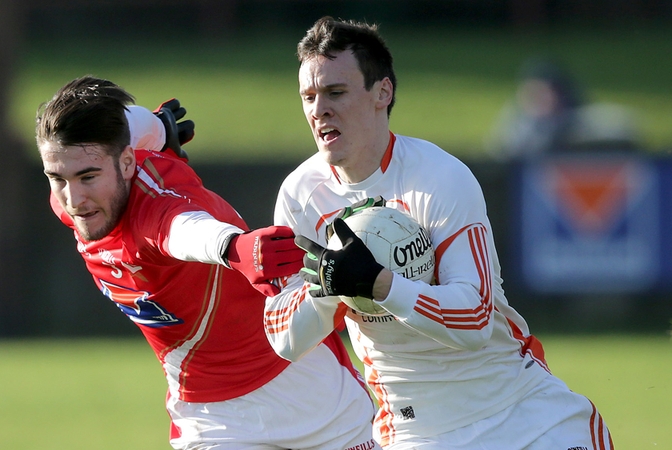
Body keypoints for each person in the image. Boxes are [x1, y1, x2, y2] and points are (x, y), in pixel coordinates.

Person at [264, 17, 614, 449]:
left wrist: (379, 284)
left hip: (521, 413)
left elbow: (475, 320)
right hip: (417, 430)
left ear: (383, 93)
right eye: (309, 97)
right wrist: (328, 285)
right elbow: (284, 338)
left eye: (335, 92)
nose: (319, 110)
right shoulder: (302, 196)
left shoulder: (439, 177)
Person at [35, 76, 380, 450]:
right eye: (57, 178)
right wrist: (159, 126)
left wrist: (235, 248)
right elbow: (131, 123)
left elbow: (186, 231)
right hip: (210, 417)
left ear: (128, 162)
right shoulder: (82, 190)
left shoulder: (153, 211)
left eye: (88, 177)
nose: (74, 199)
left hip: (308, 385)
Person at [486, 57, 640, 159]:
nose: (536, 100)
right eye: (530, 94)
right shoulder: (516, 127)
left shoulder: (586, 122)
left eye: (542, 93)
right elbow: (500, 155)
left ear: (559, 95)